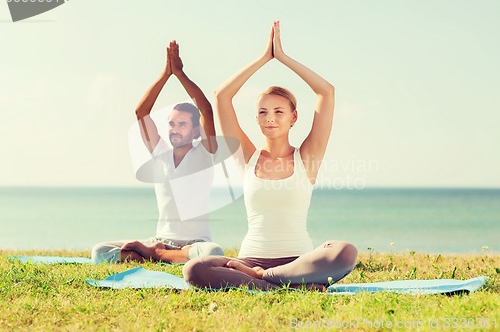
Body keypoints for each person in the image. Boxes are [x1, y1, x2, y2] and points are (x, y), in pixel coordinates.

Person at [183, 22, 357, 290]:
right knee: (194, 268)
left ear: (293, 117)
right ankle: (292, 287)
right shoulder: (247, 157)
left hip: (297, 262)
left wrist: (283, 58)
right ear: (257, 118)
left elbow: (326, 92)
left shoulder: (307, 157)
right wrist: (264, 58)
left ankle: (267, 280)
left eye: (278, 111)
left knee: (345, 251)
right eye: (263, 112)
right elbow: (221, 96)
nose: (270, 118)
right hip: (250, 259)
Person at [92, 40, 224, 264]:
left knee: (213, 253)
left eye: (182, 124)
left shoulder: (205, 154)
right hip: (160, 239)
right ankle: (161, 253)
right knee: (100, 251)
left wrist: (180, 74)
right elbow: (141, 112)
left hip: (196, 244)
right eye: (172, 124)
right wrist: (165, 74)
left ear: (195, 131)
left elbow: (206, 110)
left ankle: (155, 255)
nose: (174, 129)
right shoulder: (160, 153)